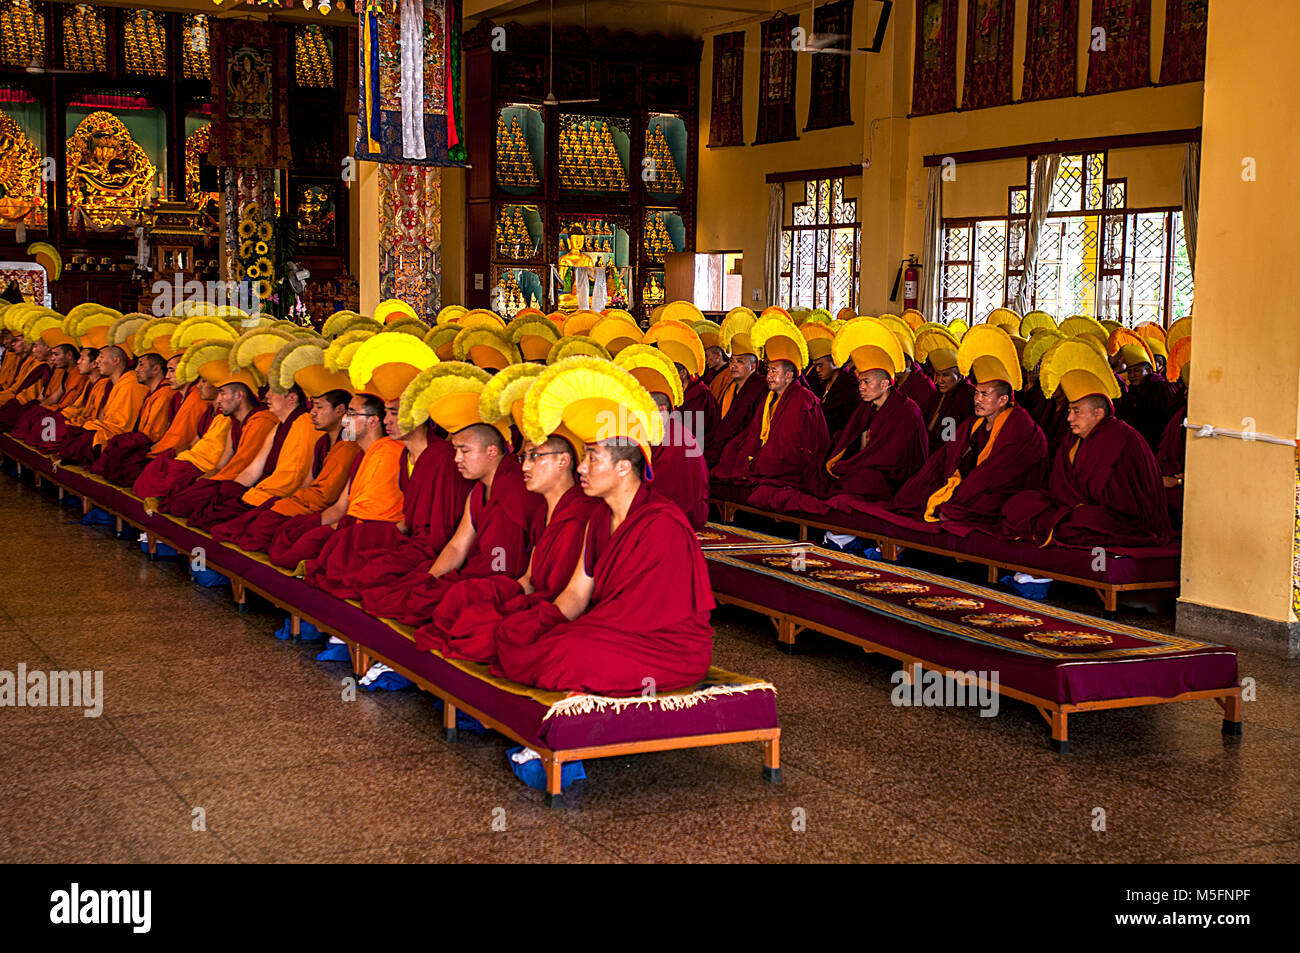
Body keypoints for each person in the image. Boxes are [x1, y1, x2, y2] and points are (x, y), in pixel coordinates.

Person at [492, 360, 714, 694]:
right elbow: (577, 593)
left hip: (665, 646)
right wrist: (544, 623)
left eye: (592, 458)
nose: (581, 468)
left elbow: (639, 616)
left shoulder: (662, 525)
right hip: (613, 630)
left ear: (624, 467)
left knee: (568, 651)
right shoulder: (599, 517)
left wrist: (569, 634)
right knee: (520, 632)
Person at [357, 365, 542, 625]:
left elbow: (503, 565)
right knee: (407, 591)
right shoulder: (479, 489)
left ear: (491, 451)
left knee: (453, 605)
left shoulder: (514, 488)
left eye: (464, 451)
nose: (456, 459)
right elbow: (458, 544)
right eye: (455, 450)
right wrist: (430, 579)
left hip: (497, 579)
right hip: (475, 572)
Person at [415, 432, 600, 661]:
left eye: (535, 457)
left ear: (563, 461)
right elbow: (528, 579)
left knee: (491, 634)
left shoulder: (581, 516)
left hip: (556, 609)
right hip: (534, 598)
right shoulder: (543, 510)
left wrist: (520, 617)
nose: (525, 467)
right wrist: (500, 602)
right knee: (465, 603)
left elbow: (569, 595)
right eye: (524, 458)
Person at [1001, 340, 1171, 547]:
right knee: (1019, 503)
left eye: (1076, 412)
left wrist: (1077, 507)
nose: (1069, 418)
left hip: (1121, 517)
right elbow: (1058, 485)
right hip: (1073, 508)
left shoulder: (1123, 439)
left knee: (1084, 521)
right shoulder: (1072, 440)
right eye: (1069, 411)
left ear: (1098, 413)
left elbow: (1129, 502)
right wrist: (1067, 504)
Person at [893, 325, 1047, 531]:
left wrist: (961, 489)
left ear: (1003, 399)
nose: (977, 400)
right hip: (970, 482)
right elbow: (948, 452)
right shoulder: (974, 422)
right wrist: (938, 476)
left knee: (979, 506)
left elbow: (998, 473)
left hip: (1001, 488)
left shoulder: (1020, 426)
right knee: (911, 493)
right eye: (977, 393)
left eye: (985, 394)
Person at [212, 388, 360, 552]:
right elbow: (306, 484)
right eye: (313, 406)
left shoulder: (348, 447)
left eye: (319, 407)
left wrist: (293, 505)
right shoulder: (322, 442)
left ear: (339, 410)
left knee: (264, 532)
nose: (313, 413)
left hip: (315, 508)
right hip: (299, 501)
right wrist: (290, 501)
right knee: (245, 521)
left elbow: (326, 497)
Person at [712, 316, 829, 494]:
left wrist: (758, 458)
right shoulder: (770, 397)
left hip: (791, 462)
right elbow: (755, 431)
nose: (769, 376)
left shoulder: (802, 400)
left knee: (765, 464)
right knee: (731, 451)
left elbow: (787, 443)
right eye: (768, 371)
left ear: (789, 376)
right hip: (768, 452)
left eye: (774, 372)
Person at [53, 344, 148, 465]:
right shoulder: (112, 383)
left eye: (101, 357)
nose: (97, 361)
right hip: (102, 427)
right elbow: (83, 409)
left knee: (80, 439)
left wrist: (90, 426)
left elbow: (121, 426)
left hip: (117, 435)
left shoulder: (130, 384)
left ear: (116, 361)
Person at [89, 350, 174, 481]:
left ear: (156, 369)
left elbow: (152, 435)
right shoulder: (153, 393)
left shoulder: (164, 395)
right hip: (141, 441)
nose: (136, 369)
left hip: (152, 448)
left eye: (141, 365)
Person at [705, 345, 766, 469]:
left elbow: (754, 427)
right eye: (731, 361)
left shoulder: (760, 388)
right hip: (722, 444)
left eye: (740, 361)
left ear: (753, 367)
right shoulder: (730, 387)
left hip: (742, 450)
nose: (733, 365)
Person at [923, 348, 974, 452]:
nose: (939, 381)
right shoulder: (938, 395)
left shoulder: (968, 396)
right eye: (938, 374)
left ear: (959, 377)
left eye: (945, 375)